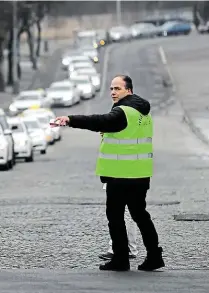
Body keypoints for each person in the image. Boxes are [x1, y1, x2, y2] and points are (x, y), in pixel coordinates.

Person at [51, 75, 165, 271]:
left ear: (128, 90)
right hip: (140, 174)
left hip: (120, 176)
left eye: (117, 89)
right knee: (140, 216)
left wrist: (70, 119)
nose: (113, 92)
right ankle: (154, 256)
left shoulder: (123, 112)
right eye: (111, 89)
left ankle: (121, 260)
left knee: (116, 217)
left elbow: (99, 121)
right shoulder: (143, 113)